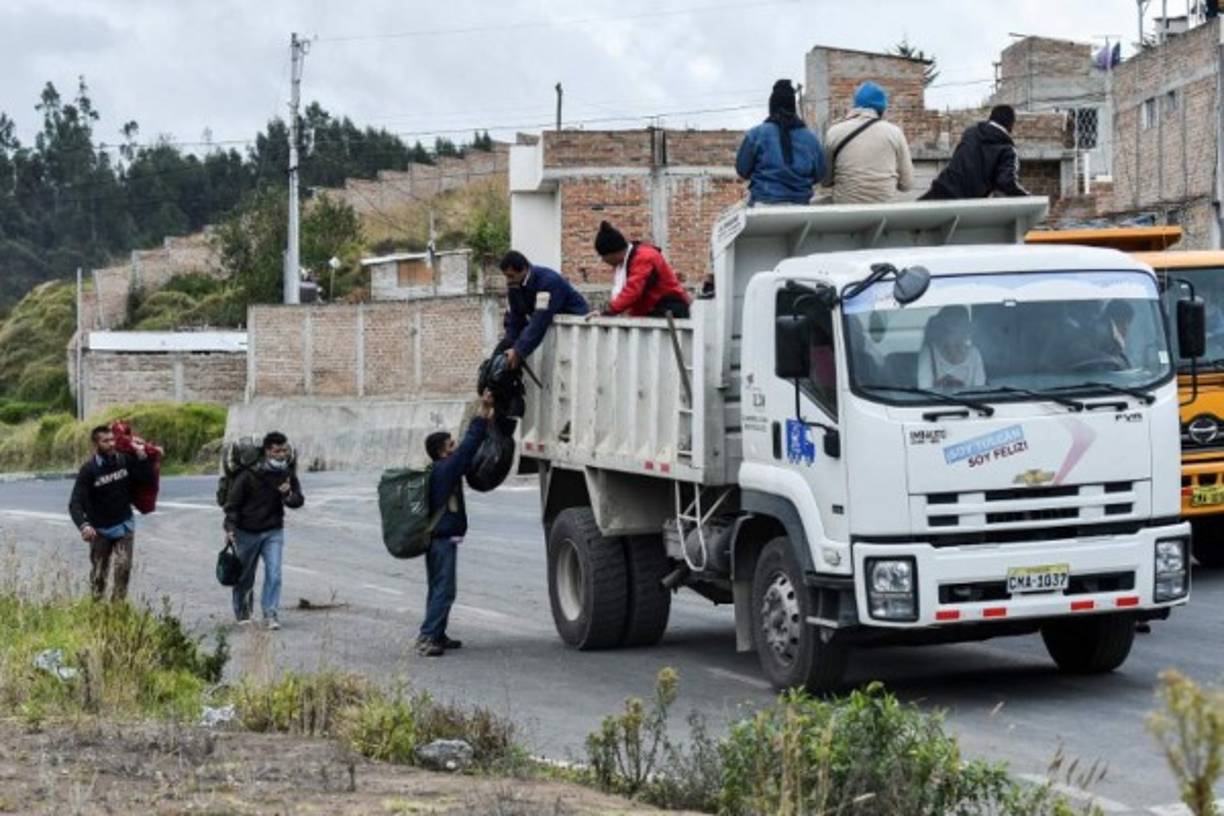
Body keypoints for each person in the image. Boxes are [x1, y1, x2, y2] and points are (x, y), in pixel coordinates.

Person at [417, 390, 495, 657]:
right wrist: (483, 412)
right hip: (441, 540)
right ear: (442, 452)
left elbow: (464, 447)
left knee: (437, 586)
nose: (454, 446)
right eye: (450, 444)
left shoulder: (437, 470)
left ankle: (437, 633)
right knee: (445, 589)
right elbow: (470, 444)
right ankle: (427, 637)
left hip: (435, 539)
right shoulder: (447, 468)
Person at [223, 431, 304, 630]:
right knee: (245, 576)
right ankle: (243, 613)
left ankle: (270, 614)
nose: (282, 455)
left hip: (273, 532)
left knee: (275, 574)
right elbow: (232, 505)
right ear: (267, 451)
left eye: (284, 450)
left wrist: (287, 494)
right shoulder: (247, 475)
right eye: (277, 451)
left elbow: (298, 500)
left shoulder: (287, 473)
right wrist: (230, 528)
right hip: (246, 532)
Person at [68, 425, 154, 602]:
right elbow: (75, 503)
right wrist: (84, 525)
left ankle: (117, 611)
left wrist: (141, 455)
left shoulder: (124, 460)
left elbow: (147, 481)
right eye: (105, 441)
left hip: (124, 525)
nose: (111, 444)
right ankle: (97, 609)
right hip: (100, 530)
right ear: (95, 444)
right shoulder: (88, 471)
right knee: (99, 574)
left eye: (112, 439)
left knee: (123, 569)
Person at [735, 79, 827, 205]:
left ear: (772, 107)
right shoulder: (811, 140)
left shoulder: (756, 135)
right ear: (793, 107)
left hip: (762, 205)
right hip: (800, 207)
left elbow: (742, 170)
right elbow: (820, 174)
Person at [823, 81, 914, 205]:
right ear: (882, 109)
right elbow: (907, 184)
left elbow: (825, 181)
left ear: (855, 105)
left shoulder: (834, 132)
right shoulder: (895, 133)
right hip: (885, 215)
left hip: (846, 214)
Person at [497, 250, 590, 369]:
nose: (508, 281)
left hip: (576, 332)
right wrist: (507, 346)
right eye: (506, 276)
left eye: (511, 276)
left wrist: (519, 350)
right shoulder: (515, 285)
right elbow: (515, 318)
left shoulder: (549, 282)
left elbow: (540, 319)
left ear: (524, 269)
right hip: (554, 332)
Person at [919, 105, 1029, 201]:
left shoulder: (971, 133)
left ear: (991, 118)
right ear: (1011, 125)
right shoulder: (1007, 150)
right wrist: (1027, 197)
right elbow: (1006, 182)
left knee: (909, 220)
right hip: (966, 204)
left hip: (941, 189)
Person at [592, 220, 692, 318]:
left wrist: (607, 313)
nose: (603, 260)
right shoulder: (630, 259)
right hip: (655, 311)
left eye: (603, 256)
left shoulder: (643, 257)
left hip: (669, 310)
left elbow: (633, 291)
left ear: (613, 253)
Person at [917, 306, 986, 389]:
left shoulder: (974, 353)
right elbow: (925, 389)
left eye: (960, 327)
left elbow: (980, 389)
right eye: (950, 329)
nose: (955, 333)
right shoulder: (928, 352)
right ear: (942, 329)